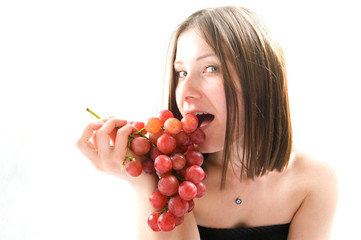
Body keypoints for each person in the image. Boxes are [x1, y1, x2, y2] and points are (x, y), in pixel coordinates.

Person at [76, 6, 338, 240]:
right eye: (181, 72)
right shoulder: (175, 179)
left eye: (210, 68)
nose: (186, 91)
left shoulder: (314, 180)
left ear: (260, 81)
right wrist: (146, 182)